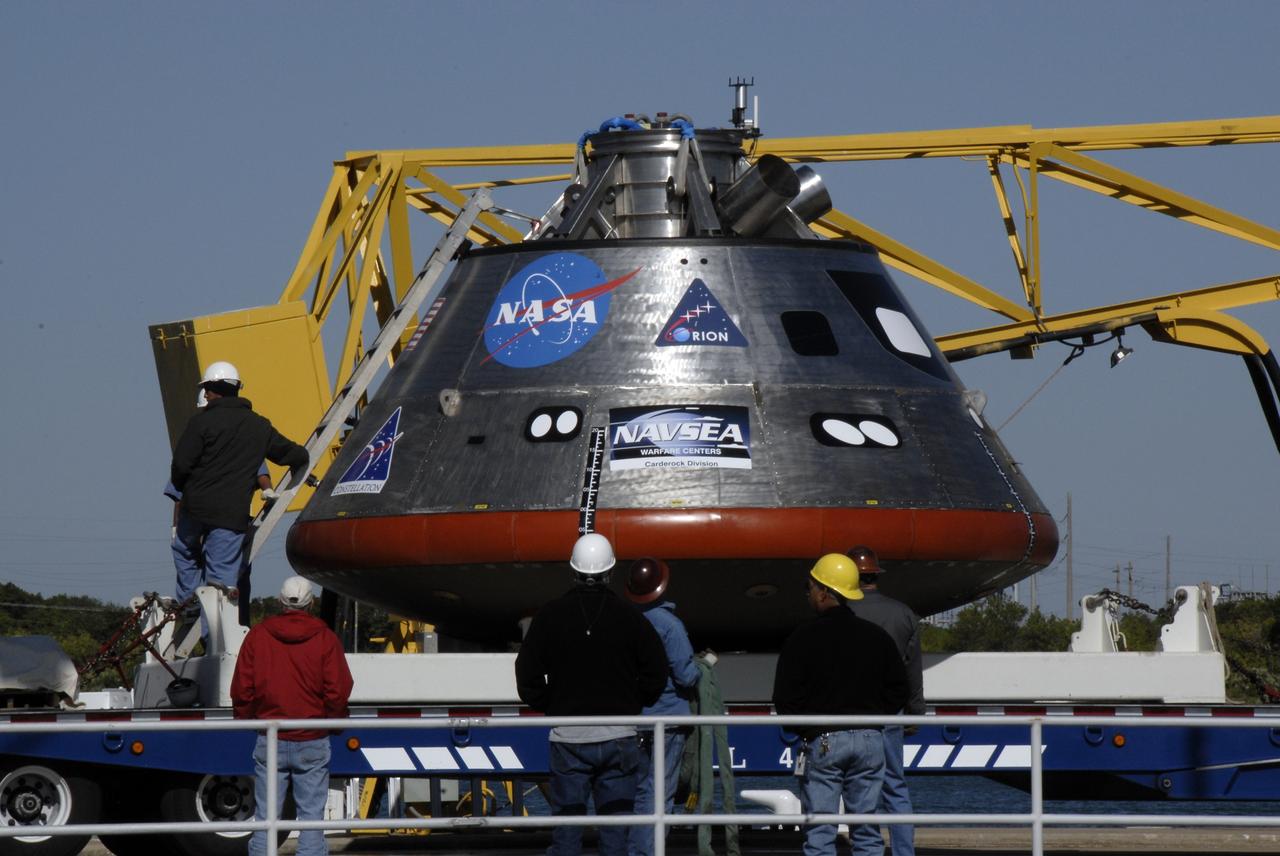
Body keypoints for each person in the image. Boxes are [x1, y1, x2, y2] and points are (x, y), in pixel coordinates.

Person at [514, 533, 668, 856]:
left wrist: (549, 703)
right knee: (616, 836)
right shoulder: (631, 618)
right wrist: (636, 702)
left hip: (568, 738)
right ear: (610, 573)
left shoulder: (550, 616)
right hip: (621, 737)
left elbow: (526, 674)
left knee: (567, 835)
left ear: (573, 572)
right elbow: (657, 671)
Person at [772, 554, 910, 856]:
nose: (807, 593)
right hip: (871, 739)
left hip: (823, 740)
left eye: (809, 587)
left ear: (824, 591)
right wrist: (875, 718)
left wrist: (800, 728)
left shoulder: (802, 638)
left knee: (820, 832)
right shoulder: (877, 637)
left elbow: (784, 696)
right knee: (867, 831)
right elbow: (899, 689)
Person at [170, 361, 308, 621]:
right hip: (230, 517)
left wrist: (185, 488)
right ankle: (214, 642)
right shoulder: (258, 426)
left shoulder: (200, 423)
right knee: (220, 584)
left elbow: (180, 465)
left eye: (207, 388)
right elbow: (291, 453)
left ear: (216, 389)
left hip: (195, 509)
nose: (206, 394)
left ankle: (188, 605)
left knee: (184, 551)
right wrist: (302, 458)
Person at [231, 576, 353, 856]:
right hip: (312, 736)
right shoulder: (325, 639)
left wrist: (248, 719)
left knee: (266, 818)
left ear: (280, 602)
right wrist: (333, 721)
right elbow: (338, 689)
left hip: (270, 736)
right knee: (311, 818)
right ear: (312, 603)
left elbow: (242, 688)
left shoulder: (258, 636)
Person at [846, 546, 924, 856]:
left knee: (857, 786)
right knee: (895, 787)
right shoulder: (903, 614)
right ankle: (904, 852)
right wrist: (915, 711)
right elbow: (912, 670)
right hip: (891, 712)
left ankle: (867, 848)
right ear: (876, 575)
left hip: (851, 713)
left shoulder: (843, 612)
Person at [623, 557, 700, 856]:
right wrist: (703, 666)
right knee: (660, 794)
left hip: (635, 722)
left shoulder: (625, 620)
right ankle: (648, 851)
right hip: (667, 721)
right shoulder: (669, 625)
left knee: (640, 792)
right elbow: (685, 674)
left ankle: (635, 849)